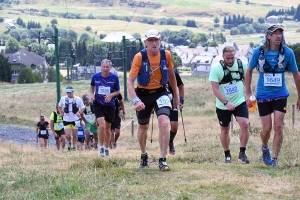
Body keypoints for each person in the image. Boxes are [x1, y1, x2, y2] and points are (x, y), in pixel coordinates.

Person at [245, 24, 300, 166]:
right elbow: (249, 71)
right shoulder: (258, 52)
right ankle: (264, 147)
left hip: (281, 94)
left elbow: (296, 73)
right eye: (275, 33)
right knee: (266, 129)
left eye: (280, 33)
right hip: (263, 95)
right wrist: (248, 93)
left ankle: (275, 159)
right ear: (268, 36)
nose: (279, 36)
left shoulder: (288, 53)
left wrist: (299, 95)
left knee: (278, 126)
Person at [127, 29, 179, 171]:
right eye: (150, 40)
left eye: (156, 40)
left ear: (160, 41)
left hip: (161, 92)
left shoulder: (166, 54)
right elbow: (129, 82)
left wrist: (176, 94)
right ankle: (144, 154)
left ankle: (163, 159)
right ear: (145, 43)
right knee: (143, 127)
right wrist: (135, 100)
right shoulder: (139, 57)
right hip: (143, 93)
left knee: (164, 122)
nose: (154, 43)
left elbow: (172, 75)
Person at [209, 46, 250, 164]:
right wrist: (226, 103)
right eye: (228, 58)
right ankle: (227, 154)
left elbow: (247, 82)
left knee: (245, 124)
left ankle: (242, 153)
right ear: (223, 57)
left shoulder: (242, 65)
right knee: (225, 129)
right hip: (223, 104)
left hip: (239, 101)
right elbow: (215, 90)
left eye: (232, 58)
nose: (230, 61)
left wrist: (248, 96)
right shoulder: (216, 69)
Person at [90, 59, 120, 158]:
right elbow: (92, 86)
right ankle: (101, 147)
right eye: (104, 67)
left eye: (107, 67)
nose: (105, 69)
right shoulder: (95, 76)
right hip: (98, 104)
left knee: (108, 128)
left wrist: (111, 95)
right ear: (101, 67)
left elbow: (118, 91)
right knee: (101, 125)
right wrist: (92, 95)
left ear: (110, 68)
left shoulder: (114, 78)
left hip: (110, 105)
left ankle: (107, 148)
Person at [57, 86, 85, 151]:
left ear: (73, 92)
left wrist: (80, 112)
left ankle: (74, 146)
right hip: (66, 120)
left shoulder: (78, 99)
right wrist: (61, 112)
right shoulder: (63, 98)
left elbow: (83, 107)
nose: (68, 94)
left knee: (75, 135)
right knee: (67, 135)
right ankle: (69, 143)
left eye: (70, 93)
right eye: (67, 93)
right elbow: (59, 106)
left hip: (75, 120)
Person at [167, 70, 184, 155]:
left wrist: (181, 101)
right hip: (160, 102)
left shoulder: (174, 74)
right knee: (163, 124)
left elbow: (180, 87)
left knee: (174, 126)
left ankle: (170, 142)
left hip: (172, 102)